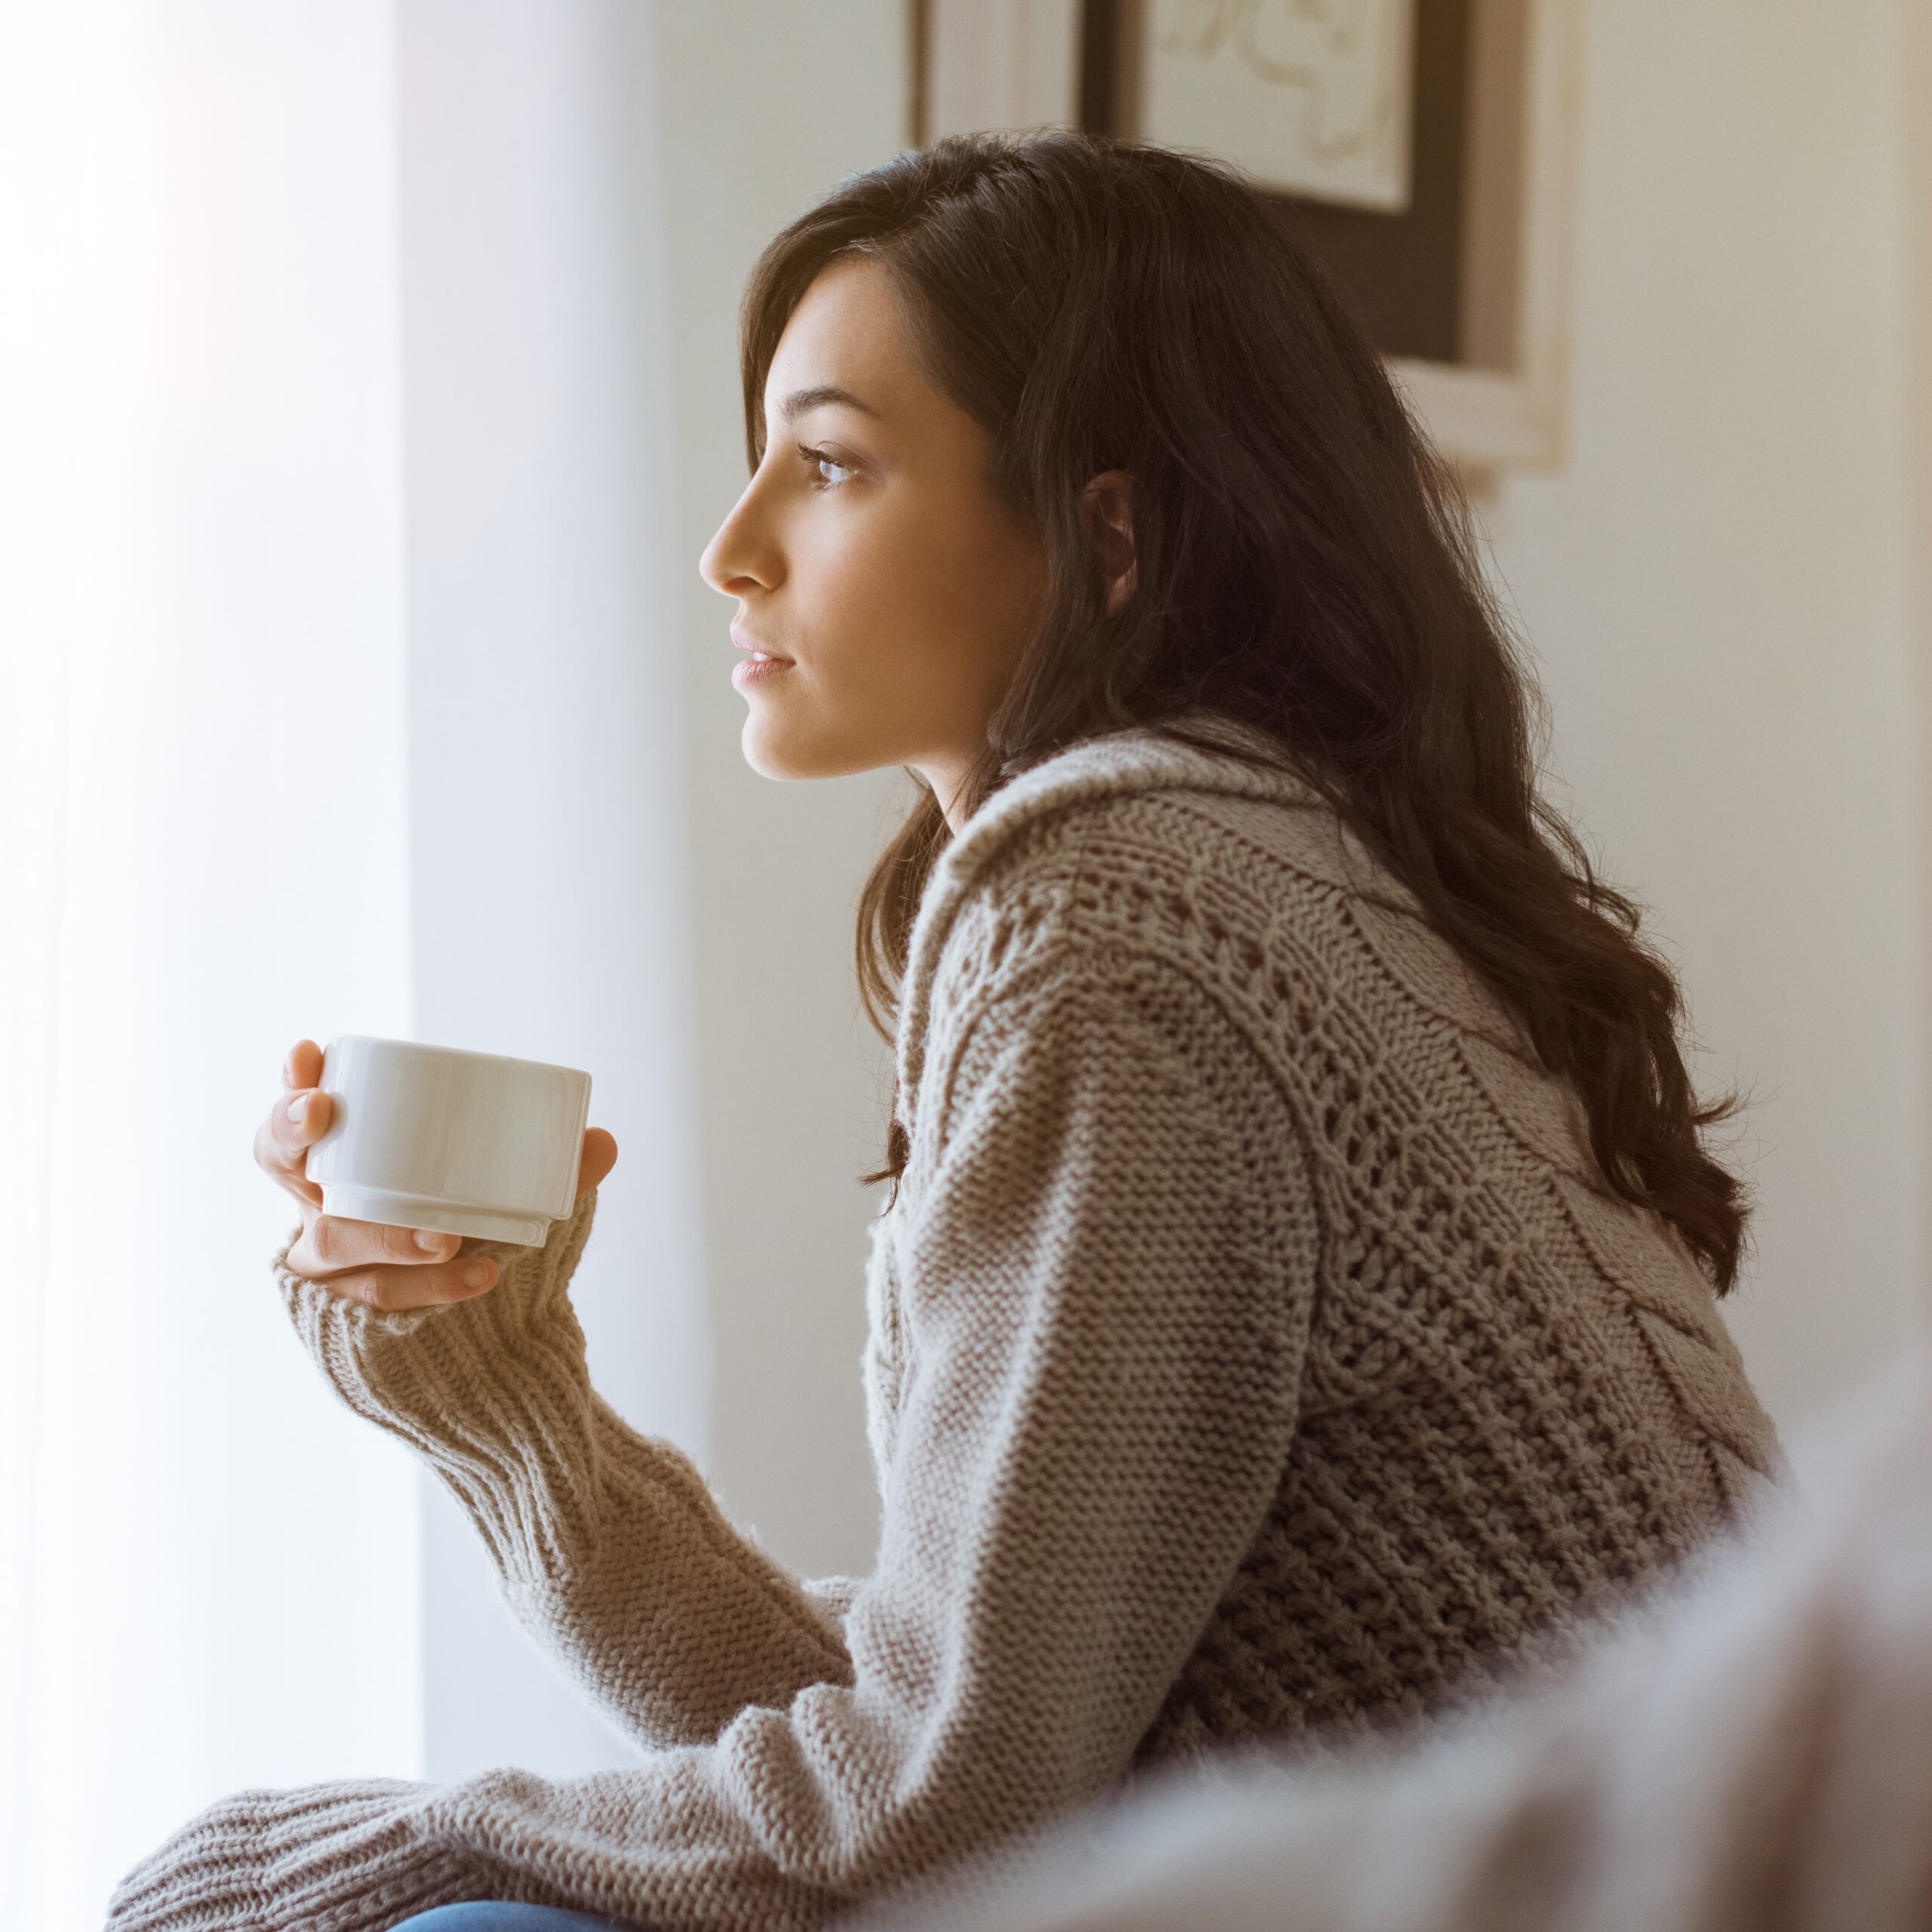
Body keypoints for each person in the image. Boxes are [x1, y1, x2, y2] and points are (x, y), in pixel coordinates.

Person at [109, 131, 1780, 1932]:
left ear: (1104, 535)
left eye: (826, 463)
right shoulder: (1247, 859)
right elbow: (963, 1737)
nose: (728, 547)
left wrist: (410, 1841)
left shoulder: (1127, 914)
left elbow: (940, 1811)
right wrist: (501, 1397)